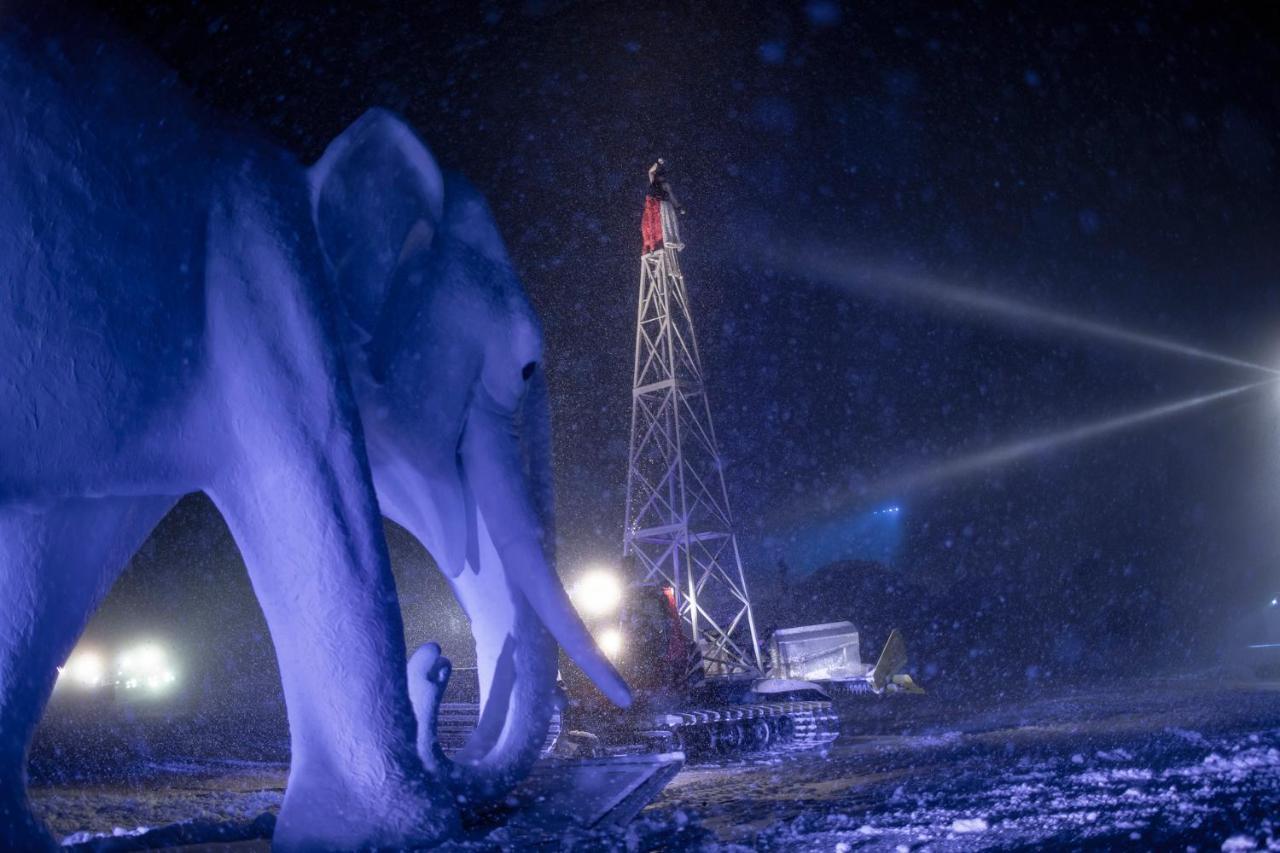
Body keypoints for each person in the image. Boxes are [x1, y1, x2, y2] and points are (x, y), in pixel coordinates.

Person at [641, 158, 684, 253]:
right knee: (648, 226)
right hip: (651, 205)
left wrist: (678, 207)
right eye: (660, 175)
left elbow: (671, 196)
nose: (661, 178)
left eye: (662, 176)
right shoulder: (653, 181)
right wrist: (657, 163)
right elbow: (650, 171)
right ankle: (652, 245)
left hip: (660, 205)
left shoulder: (665, 185)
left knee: (662, 224)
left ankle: (663, 242)